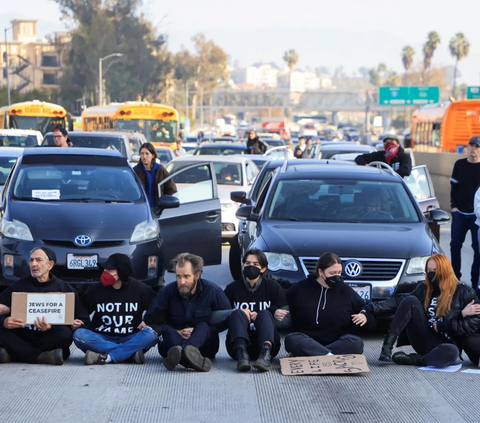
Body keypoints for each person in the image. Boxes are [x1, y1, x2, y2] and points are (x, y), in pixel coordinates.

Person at [368, 254, 480, 367]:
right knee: (410, 300)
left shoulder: (464, 292)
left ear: (445, 271)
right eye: (429, 270)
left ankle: (416, 360)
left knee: (452, 352)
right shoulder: (423, 288)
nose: (432, 274)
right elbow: (399, 301)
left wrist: (450, 323)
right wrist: (371, 308)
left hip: (446, 343)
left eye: (435, 270)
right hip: (423, 337)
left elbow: (473, 324)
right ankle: (387, 346)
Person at [0, 247, 88, 365]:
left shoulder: (65, 289)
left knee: (65, 334)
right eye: (31, 260)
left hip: (46, 338)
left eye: (38, 260)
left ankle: (14, 353)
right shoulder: (19, 286)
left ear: (50, 265)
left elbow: (84, 320)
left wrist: (76, 325)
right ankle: (41, 356)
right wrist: (4, 321)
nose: (33, 264)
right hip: (22, 334)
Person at [144, 253, 231, 372]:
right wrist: (176, 331)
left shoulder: (212, 291)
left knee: (203, 326)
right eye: (178, 276)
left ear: (197, 275)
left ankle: (182, 355)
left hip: (203, 346)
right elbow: (151, 319)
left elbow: (226, 318)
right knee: (168, 331)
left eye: (186, 276)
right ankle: (191, 360)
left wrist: (197, 333)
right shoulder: (168, 292)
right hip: (173, 342)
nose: (182, 281)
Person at [284, 253, 376, 357]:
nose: (337, 276)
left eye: (339, 272)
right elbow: (281, 303)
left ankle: (317, 354)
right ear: (320, 272)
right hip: (307, 340)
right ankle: (329, 356)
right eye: (332, 273)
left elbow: (367, 314)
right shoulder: (300, 288)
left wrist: (365, 316)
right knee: (292, 339)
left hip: (337, 341)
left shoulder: (346, 292)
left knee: (356, 343)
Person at [73, 254, 158, 365]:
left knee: (152, 335)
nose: (105, 272)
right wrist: (78, 322)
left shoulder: (140, 289)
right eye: (105, 269)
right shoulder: (97, 289)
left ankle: (107, 357)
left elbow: (157, 308)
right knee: (79, 334)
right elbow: (81, 308)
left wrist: (148, 321)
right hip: (101, 337)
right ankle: (129, 354)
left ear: (122, 272)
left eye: (110, 270)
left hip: (130, 337)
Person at [224, 249, 290, 372]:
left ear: (263, 268)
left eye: (255, 265)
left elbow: (288, 320)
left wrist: (266, 316)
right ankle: (242, 355)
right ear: (243, 265)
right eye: (247, 263)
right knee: (238, 312)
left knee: (264, 313)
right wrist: (235, 314)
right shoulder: (232, 289)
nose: (250, 267)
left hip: (268, 345)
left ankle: (264, 356)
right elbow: (219, 318)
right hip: (237, 346)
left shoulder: (273, 287)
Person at [450, 136, 480, 290]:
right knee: (455, 245)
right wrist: (453, 207)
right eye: (471, 145)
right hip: (460, 214)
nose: (473, 149)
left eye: (476, 146)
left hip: (477, 217)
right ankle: (455, 280)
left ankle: (475, 282)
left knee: (478, 248)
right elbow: (453, 187)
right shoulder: (460, 164)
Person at [133, 142, 177, 208]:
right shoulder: (136, 170)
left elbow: (172, 190)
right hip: (141, 208)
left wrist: (165, 204)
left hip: (158, 210)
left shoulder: (160, 170)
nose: (144, 157)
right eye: (142, 153)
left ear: (153, 155)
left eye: (147, 153)